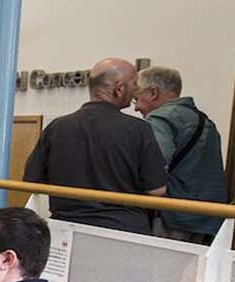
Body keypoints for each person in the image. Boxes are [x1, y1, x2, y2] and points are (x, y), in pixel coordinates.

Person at [23, 57, 167, 235]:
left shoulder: (57, 127)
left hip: (66, 229)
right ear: (119, 88)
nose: (136, 90)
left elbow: (32, 179)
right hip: (124, 232)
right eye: (134, 84)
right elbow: (156, 190)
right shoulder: (138, 129)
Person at [135, 65, 228, 244]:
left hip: (173, 218)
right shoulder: (205, 121)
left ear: (153, 92)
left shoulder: (159, 120)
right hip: (209, 219)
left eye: (137, 99)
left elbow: (155, 166)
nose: (137, 108)